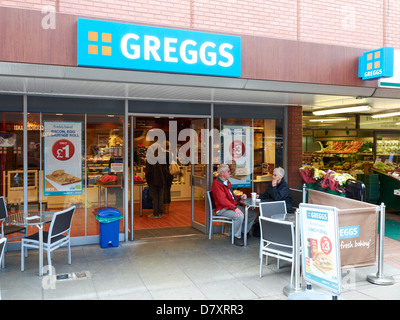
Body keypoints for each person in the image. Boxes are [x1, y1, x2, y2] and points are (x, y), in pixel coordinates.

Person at [211, 164, 258, 246]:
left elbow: (231, 197)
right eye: (228, 171)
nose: (230, 173)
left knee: (253, 214)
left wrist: (240, 197)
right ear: (222, 173)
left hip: (230, 206)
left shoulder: (227, 182)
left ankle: (243, 232)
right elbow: (223, 201)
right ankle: (237, 237)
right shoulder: (217, 184)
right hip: (222, 209)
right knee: (239, 216)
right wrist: (235, 208)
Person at [144, 143, 170, 218]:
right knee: (160, 196)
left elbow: (148, 171)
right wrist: (164, 178)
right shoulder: (162, 158)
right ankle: (160, 213)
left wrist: (148, 180)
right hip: (161, 180)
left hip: (153, 180)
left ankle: (155, 213)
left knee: (155, 197)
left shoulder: (150, 158)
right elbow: (165, 170)